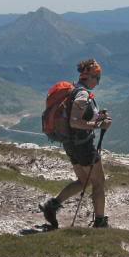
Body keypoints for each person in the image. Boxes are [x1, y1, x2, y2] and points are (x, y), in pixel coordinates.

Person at [40, 58, 112, 229]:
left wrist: (96, 117)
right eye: (97, 78)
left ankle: (52, 205)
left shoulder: (74, 90)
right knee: (99, 182)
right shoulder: (82, 94)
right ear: (89, 77)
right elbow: (74, 122)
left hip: (71, 144)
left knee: (82, 181)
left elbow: (76, 119)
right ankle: (100, 222)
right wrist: (99, 125)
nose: (98, 82)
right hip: (83, 145)